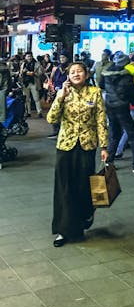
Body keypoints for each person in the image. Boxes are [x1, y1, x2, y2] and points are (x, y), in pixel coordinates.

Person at [47, 62, 108, 247]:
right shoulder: (63, 93)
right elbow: (51, 118)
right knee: (65, 188)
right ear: (68, 75)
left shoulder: (95, 92)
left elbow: (101, 120)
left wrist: (104, 146)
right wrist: (60, 97)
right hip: (65, 146)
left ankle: (82, 220)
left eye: (79, 71)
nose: (76, 74)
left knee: (83, 187)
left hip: (87, 146)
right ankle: (63, 231)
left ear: (86, 74)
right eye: (72, 72)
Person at [100, 51, 134, 173]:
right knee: (133, 134)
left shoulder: (106, 73)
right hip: (122, 107)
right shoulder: (126, 75)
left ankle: (109, 162)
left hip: (109, 106)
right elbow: (132, 94)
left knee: (114, 134)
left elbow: (101, 85)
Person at [19, 51, 43, 117]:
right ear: (25, 57)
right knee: (26, 99)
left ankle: (39, 112)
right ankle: (28, 112)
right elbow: (20, 74)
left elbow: (41, 73)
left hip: (34, 82)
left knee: (36, 98)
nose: (29, 58)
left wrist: (34, 74)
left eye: (30, 56)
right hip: (25, 83)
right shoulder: (23, 64)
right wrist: (23, 73)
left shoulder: (37, 64)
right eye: (28, 56)